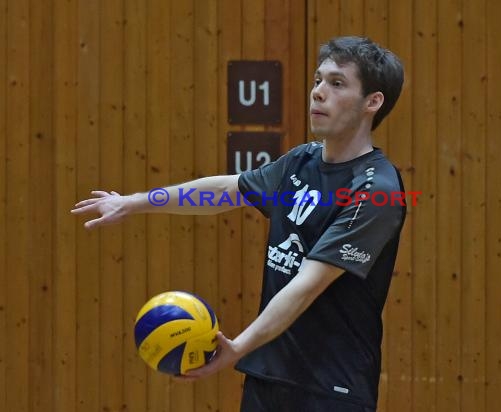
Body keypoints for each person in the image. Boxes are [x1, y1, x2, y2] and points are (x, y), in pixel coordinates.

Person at [72, 36, 406, 412]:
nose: (318, 93)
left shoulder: (377, 190)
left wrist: (239, 347)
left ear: (372, 102)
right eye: (317, 80)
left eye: (337, 83)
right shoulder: (301, 162)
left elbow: (307, 285)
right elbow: (227, 190)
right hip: (268, 379)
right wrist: (135, 202)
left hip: (330, 390)